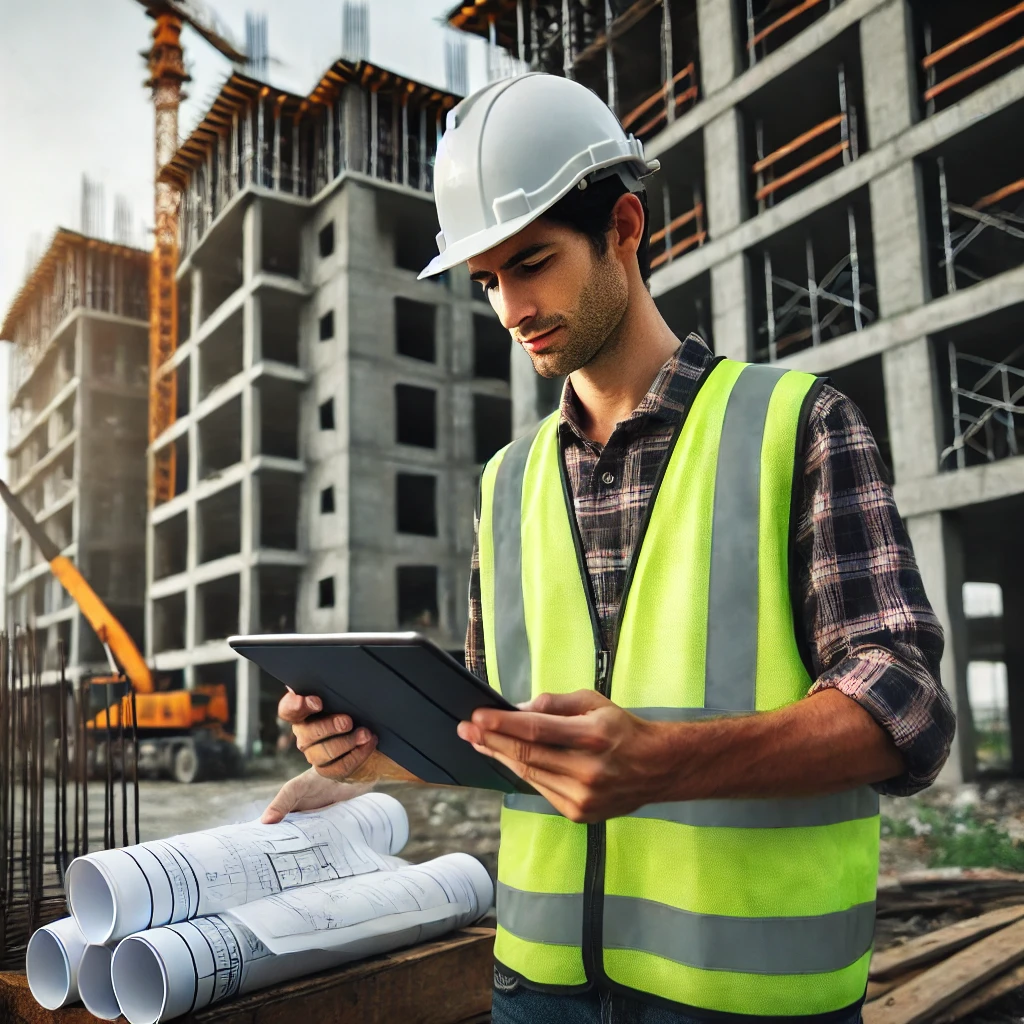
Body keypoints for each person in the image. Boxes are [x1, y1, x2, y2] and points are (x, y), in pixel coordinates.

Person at [262, 73, 955, 1023]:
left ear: (624, 228)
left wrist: (666, 760)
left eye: (533, 261)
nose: (510, 307)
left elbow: (905, 705)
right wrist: (371, 757)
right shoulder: (506, 486)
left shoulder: (797, 426)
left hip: (743, 997)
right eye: (488, 280)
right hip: (536, 989)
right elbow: (500, 729)